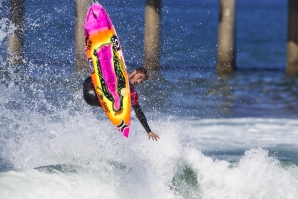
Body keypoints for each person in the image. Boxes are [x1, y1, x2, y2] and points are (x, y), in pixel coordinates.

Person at [83, 67, 160, 141]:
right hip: (89, 86)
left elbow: (138, 111)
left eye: (142, 81)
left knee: (125, 99)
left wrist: (148, 130)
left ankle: (113, 99)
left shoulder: (132, 93)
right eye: (139, 77)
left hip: (94, 100)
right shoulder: (119, 72)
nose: (139, 81)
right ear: (134, 72)